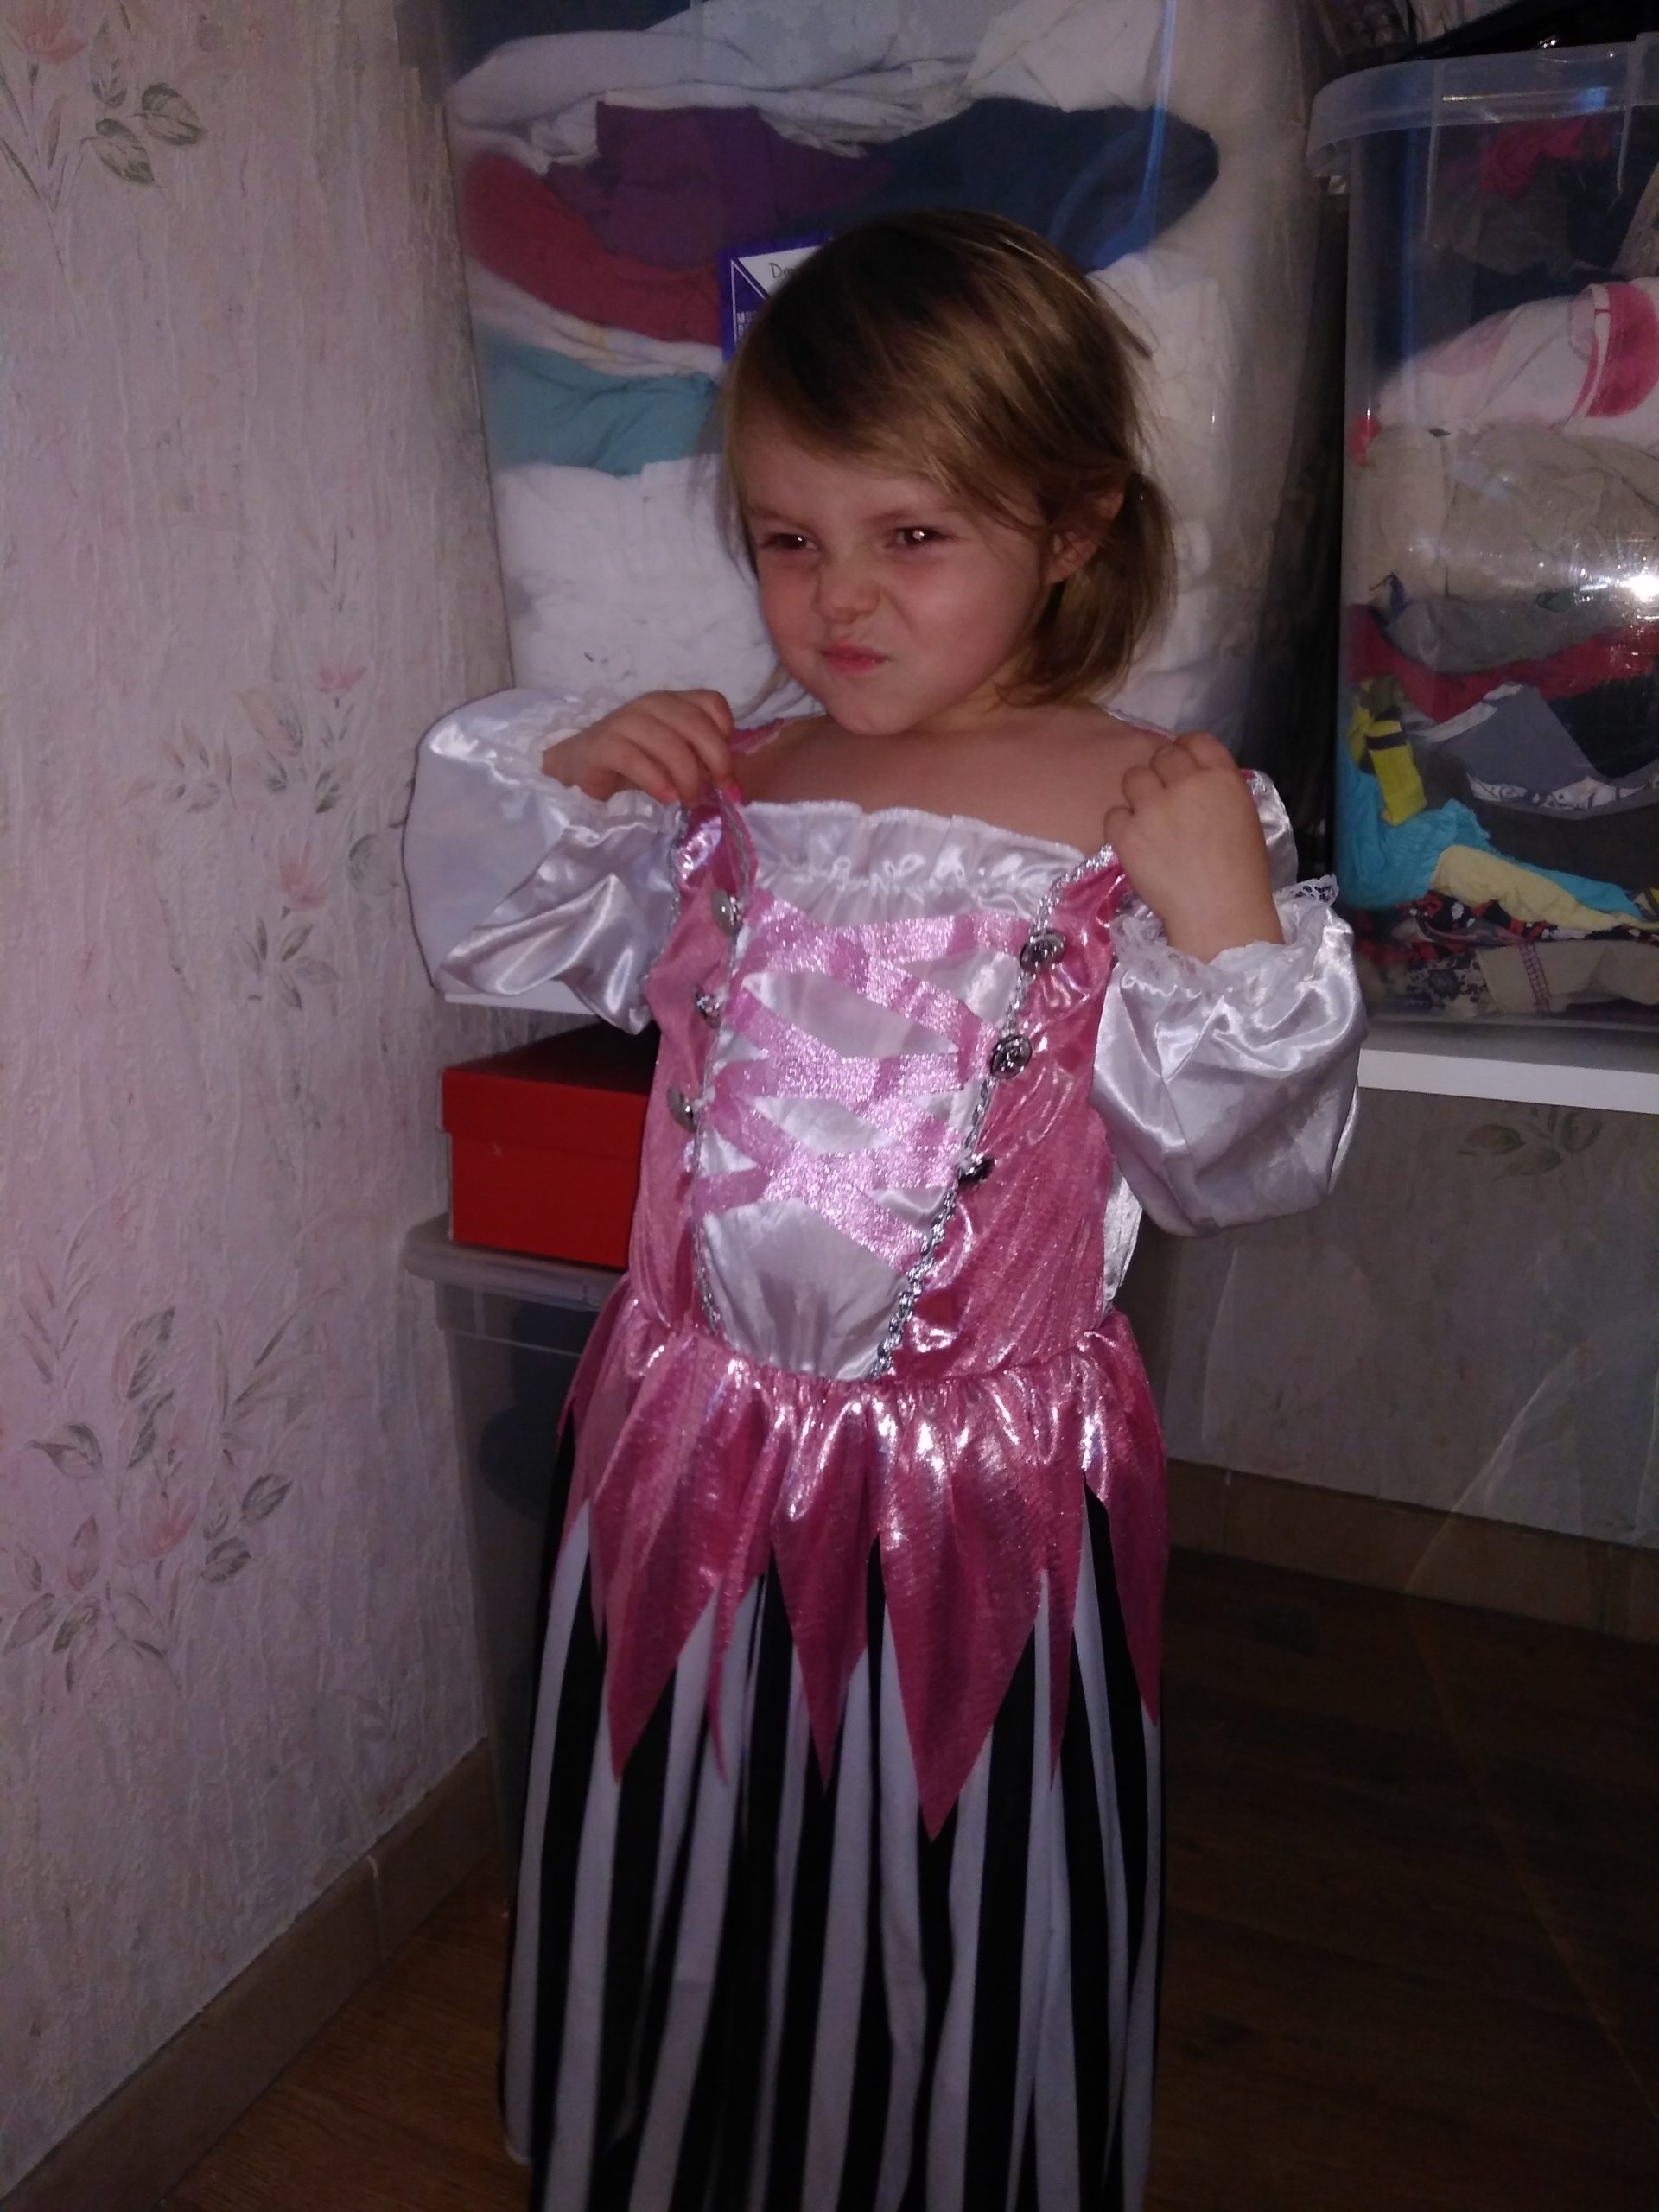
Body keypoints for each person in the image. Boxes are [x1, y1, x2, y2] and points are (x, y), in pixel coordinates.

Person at [405, 211, 1364, 2212]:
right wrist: (579, 779)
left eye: (911, 534)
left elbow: (1234, 1159)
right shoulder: (732, 788)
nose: (836, 595)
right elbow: (510, 933)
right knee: (690, 1805)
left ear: (1073, 521)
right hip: (690, 1434)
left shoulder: (1151, 808)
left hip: (977, 1480)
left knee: (957, 1860)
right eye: (787, 536)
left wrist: (1226, 926)